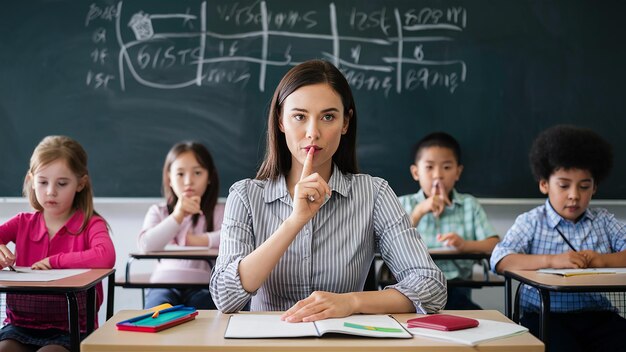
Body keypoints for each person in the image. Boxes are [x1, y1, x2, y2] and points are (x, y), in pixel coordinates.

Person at [210, 59, 446, 322]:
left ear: (345, 123)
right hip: (270, 344)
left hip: (342, 342)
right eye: (299, 116)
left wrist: (352, 301)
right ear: (280, 121)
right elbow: (225, 297)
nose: (313, 133)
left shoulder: (374, 194)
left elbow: (431, 286)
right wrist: (295, 221)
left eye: (328, 117)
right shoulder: (244, 196)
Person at [490, 125, 626, 352]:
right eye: (564, 185)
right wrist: (553, 261)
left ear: (595, 187)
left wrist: (602, 261)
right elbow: (500, 259)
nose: (574, 195)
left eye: (584, 186)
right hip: (545, 316)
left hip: (598, 316)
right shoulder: (531, 221)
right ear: (544, 184)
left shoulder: (603, 221)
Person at [0, 135, 115, 352]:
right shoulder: (22, 223)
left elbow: (106, 255)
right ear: (31, 180)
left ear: (80, 183)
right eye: (43, 182)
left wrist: (55, 261)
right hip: (20, 326)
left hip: (71, 329)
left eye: (62, 183)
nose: (51, 191)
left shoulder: (91, 224)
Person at [397, 132, 499, 310]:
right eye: (429, 167)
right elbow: (388, 245)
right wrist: (419, 211)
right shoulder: (402, 203)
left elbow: (494, 245)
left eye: (446, 167)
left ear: (458, 172)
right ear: (415, 172)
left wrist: (465, 246)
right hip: (412, 290)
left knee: (470, 315)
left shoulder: (469, 205)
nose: (438, 176)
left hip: (457, 287)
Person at [138, 141, 223, 309]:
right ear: (169, 178)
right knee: (156, 316)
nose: (188, 181)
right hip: (163, 285)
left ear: (209, 178)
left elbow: (231, 239)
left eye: (197, 173)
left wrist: (192, 240)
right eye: (180, 174)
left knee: (204, 321)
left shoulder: (220, 211)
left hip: (204, 287)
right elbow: (146, 245)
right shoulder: (158, 211)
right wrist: (178, 215)